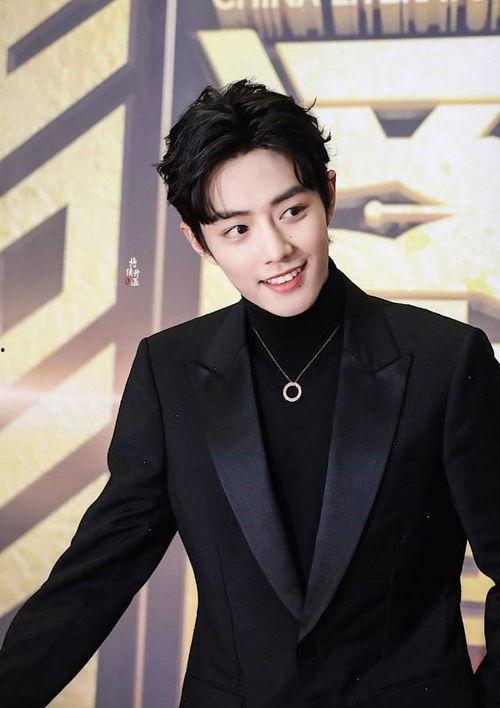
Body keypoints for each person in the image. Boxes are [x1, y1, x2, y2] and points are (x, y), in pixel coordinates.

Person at [0, 78, 499, 708]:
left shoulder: (445, 361)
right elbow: (97, 575)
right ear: (197, 239)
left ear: (329, 195)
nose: (276, 250)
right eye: (236, 229)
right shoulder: (169, 371)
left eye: (292, 211)